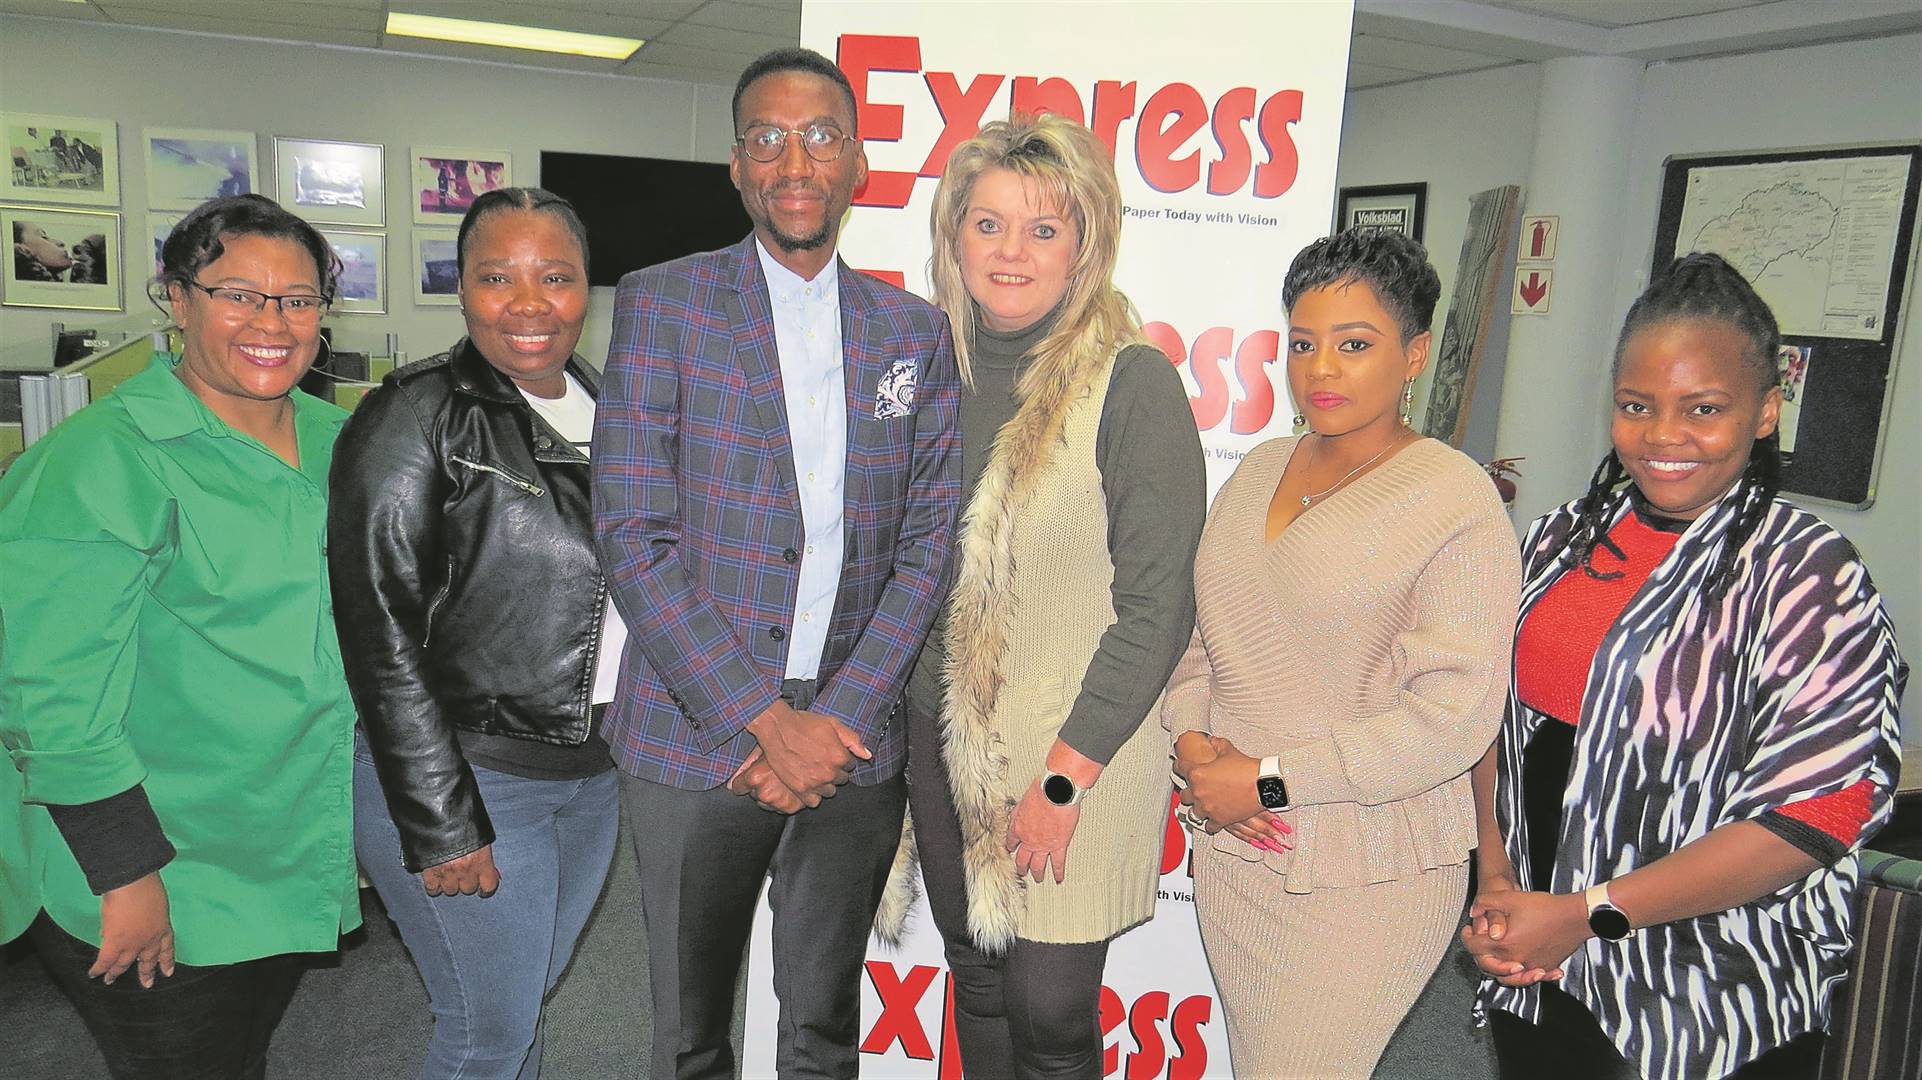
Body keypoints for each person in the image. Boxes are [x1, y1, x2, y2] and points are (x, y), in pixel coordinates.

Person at [591, 46, 961, 1080]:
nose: (794, 162)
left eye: (820, 138)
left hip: (852, 738)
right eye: (768, 138)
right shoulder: (662, 304)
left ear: (857, 165)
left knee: (823, 1031)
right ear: (737, 165)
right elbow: (632, 533)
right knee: (690, 1037)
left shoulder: (913, 333)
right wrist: (762, 718)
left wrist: (833, 719)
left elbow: (927, 543)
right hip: (695, 730)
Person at [1464, 252, 1907, 1080]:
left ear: (1765, 411)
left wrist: (1586, 914)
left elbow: (1822, 814)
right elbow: (1489, 719)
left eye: (1703, 408)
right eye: (1637, 406)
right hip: (1540, 959)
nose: (1664, 435)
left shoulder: (1806, 574)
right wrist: (1497, 881)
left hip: (1708, 994)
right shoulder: (1558, 542)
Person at [873, 112, 1206, 1079]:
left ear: (1084, 245)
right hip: (941, 740)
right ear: (954, 238)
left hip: (1074, 747)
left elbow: (1158, 608)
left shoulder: (1132, 385)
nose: (1011, 251)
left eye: (1043, 228)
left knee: (1049, 1012)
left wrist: (1063, 778)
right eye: (988, 224)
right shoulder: (925, 374)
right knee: (976, 981)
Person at [0, 193, 359, 1079]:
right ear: (177, 299)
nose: (272, 323)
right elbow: (53, 698)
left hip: (279, 838)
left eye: (298, 299)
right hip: (153, 859)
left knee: (238, 1053)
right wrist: (125, 875)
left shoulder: (344, 441)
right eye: (237, 294)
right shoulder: (100, 459)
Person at [1166, 229, 1521, 1077]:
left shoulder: (1453, 498)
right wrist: (1194, 747)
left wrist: (1265, 779)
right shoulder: (1258, 470)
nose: (1321, 369)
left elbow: (1453, 720)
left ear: (1415, 355)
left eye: (1354, 345)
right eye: (1303, 344)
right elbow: (1200, 644)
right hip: (1238, 848)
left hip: (1365, 869)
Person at [328, 187, 619, 1080]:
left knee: (518, 1017)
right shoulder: (415, 413)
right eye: (498, 278)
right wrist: (442, 818)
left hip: (589, 776)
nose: (529, 304)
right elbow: (377, 630)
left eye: (555, 277)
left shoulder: (610, 403)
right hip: (475, 779)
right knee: (483, 1036)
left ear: (586, 288)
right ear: (461, 290)